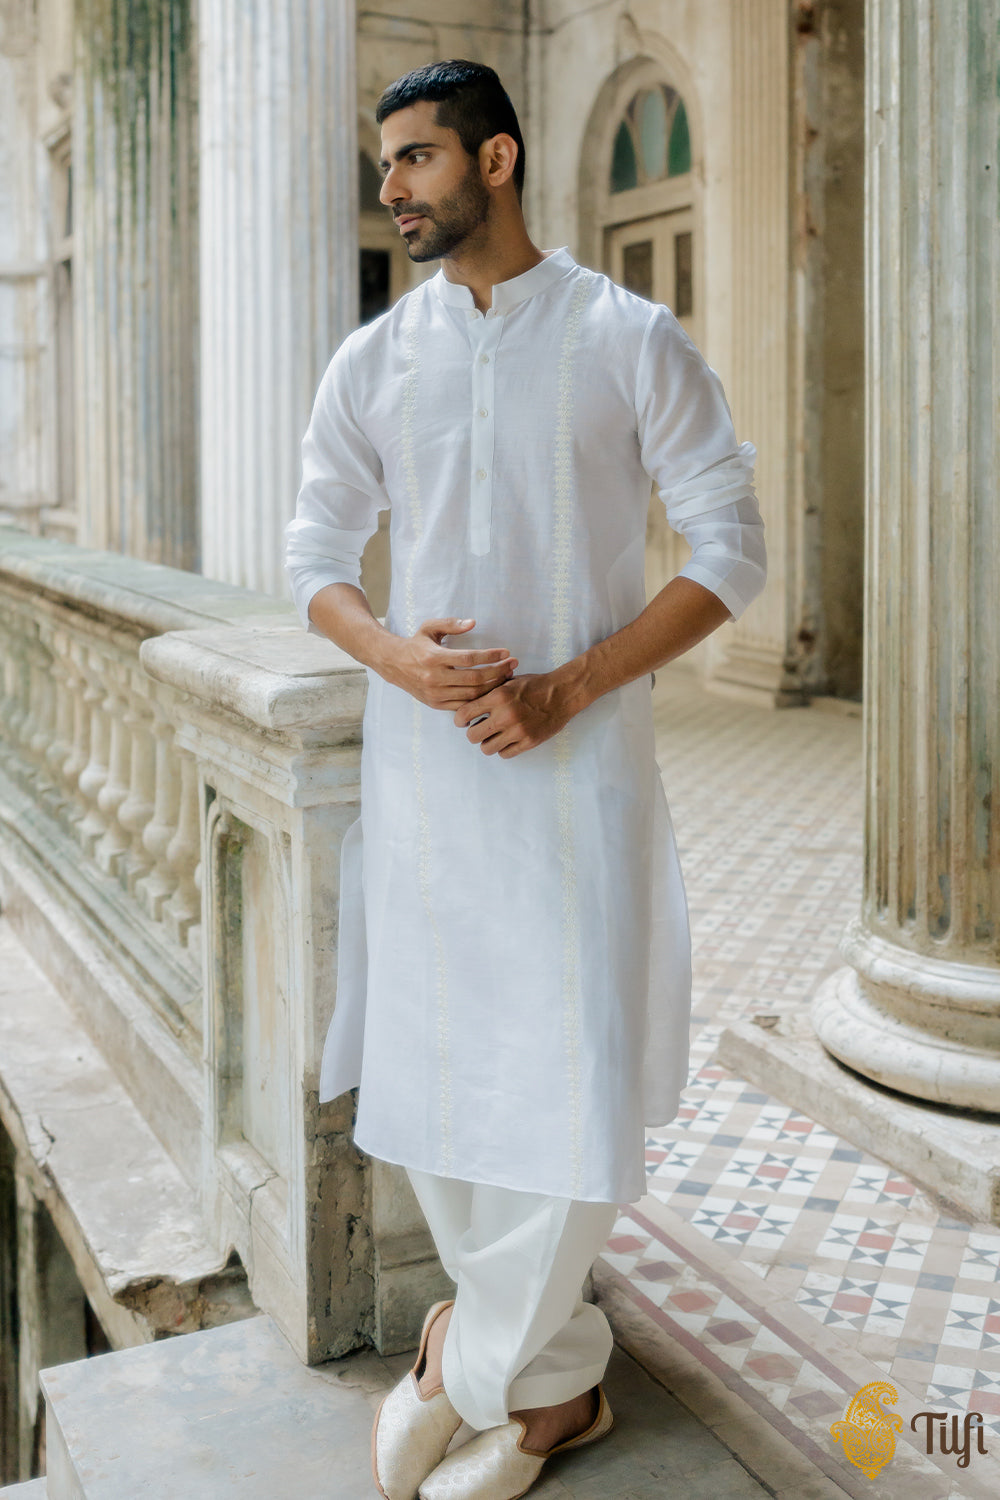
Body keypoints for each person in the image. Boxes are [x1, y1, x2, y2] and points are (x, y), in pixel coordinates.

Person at [284, 59, 766, 1500]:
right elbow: (313, 558)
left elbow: (732, 552)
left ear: (494, 159)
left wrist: (566, 688)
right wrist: (393, 655)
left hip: (580, 771)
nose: (392, 186)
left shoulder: (628, 337)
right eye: (386, 163)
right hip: (427, 783)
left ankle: (461, 1361)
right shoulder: (375, 360)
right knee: (439, 1070)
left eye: (417, 158)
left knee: (576, 1073)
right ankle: (554, 1394)